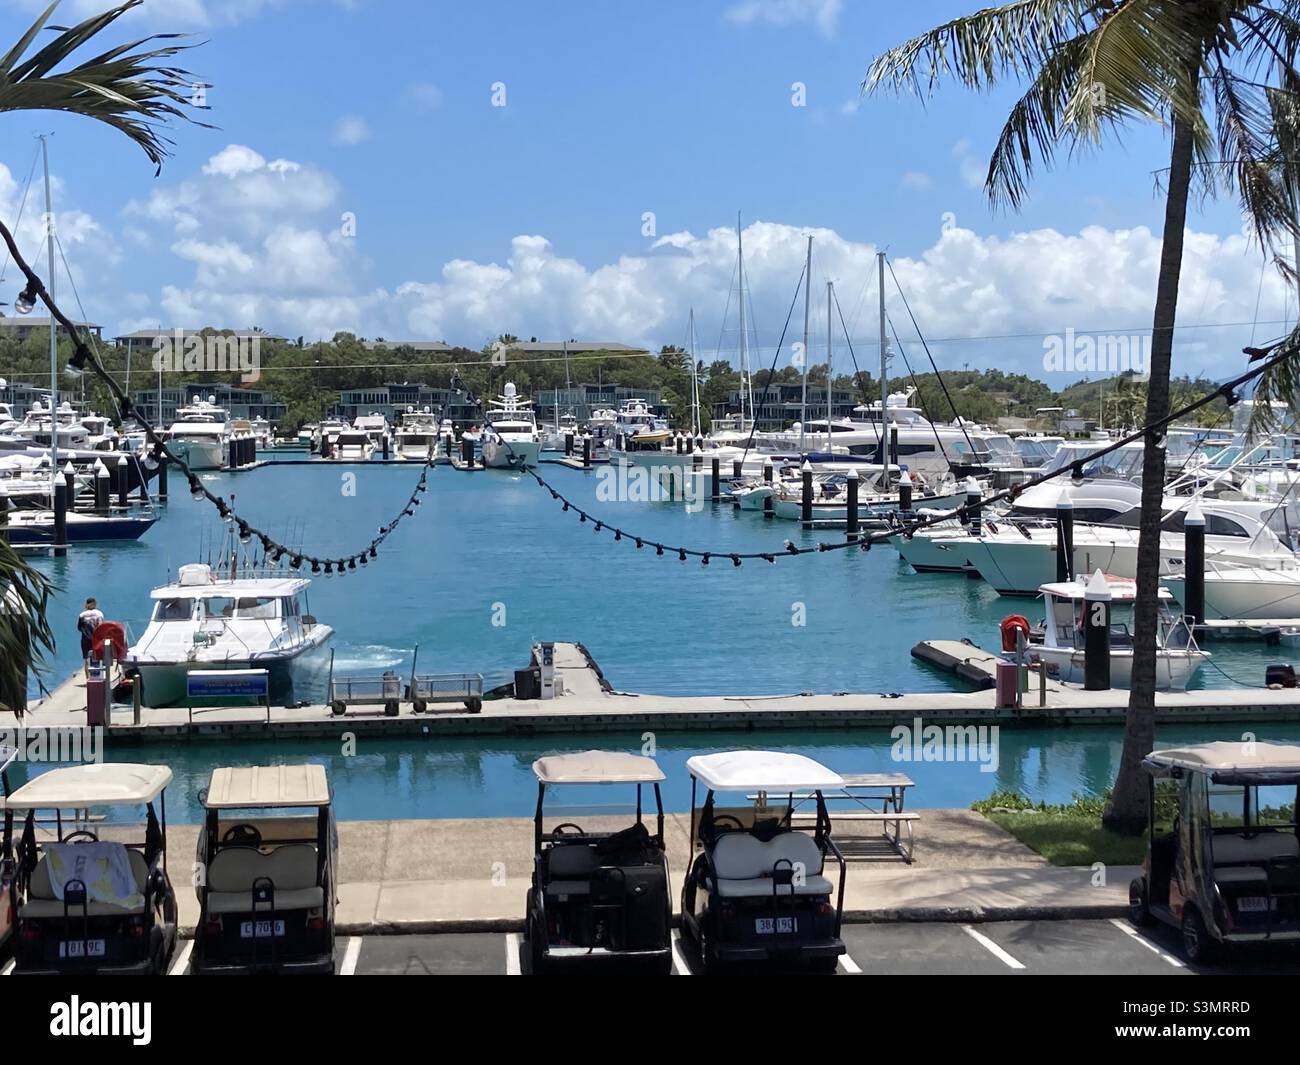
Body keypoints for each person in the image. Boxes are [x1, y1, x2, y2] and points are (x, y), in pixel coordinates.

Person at [77, 597, 105, 678]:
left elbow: (79, 628)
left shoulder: (82, 615)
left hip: (85, 640)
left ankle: (88, 679)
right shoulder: (99, 614)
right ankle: (98, 677)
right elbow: (101, 627)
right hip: (96, 639)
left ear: (87, 604)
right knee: (98, 658)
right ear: (95, 604)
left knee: (86, 660)